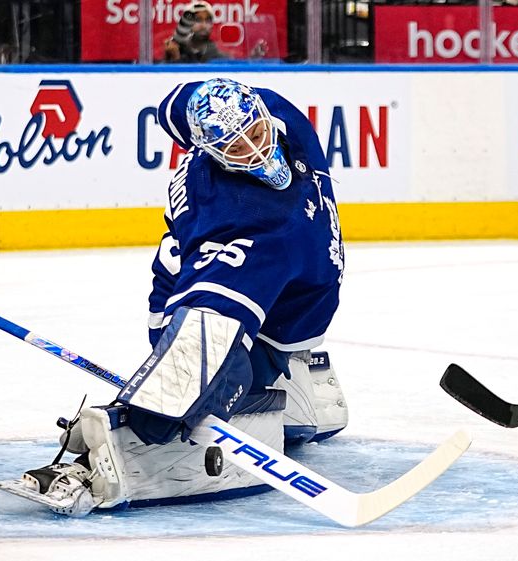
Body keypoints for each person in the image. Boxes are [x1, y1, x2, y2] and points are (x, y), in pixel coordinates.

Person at [20, 78, 348, 517]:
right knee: (207, 381)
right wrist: (153, 414)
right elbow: (204, 335)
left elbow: (176, 105)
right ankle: (253, 378)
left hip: (285, 304)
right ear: (211, 153)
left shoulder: (276, 113)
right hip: (205, 310)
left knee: (302, 412)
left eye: (255, 133)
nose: (254, 151)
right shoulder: (241, 226)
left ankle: (294, 366)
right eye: (235, 147)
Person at [164, 1, 267, 63]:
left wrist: (252, 59)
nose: (203, 25)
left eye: (208, 20)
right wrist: (174, 58)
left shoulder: (217, 54)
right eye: (198, 20)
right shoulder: (177, 48)